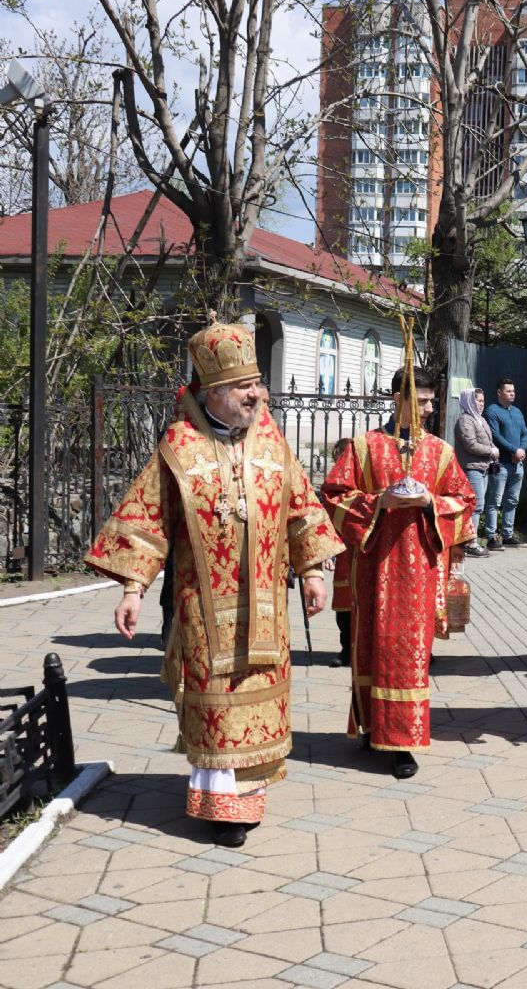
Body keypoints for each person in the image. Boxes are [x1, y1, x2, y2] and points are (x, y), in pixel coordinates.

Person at [86, 322, 344, 847]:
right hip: (203, 607)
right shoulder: (179, 447)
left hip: (268, 603)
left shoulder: (272, 440)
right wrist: (133, 590)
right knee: (215, 697)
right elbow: (149, 519)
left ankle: (247, 798)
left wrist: (314, 571)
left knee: (257, 695)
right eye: (245, 386)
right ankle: (219, 804)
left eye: (258, 384)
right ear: (214, 392)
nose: (258, 394)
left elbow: (299, 507)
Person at [323, 369, 476, 778]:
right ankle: (371, 726)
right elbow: (334, 496)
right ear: (397, 399)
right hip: (373, 567)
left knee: (409, 655)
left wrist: (431, 503)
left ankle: (402, 744)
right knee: (368, 646)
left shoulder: (440, 452)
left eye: (431, 401)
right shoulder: (364, 446)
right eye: (421, 400)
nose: (429, 408)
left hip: (419, 572)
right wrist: (378, 502)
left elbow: (464, 501)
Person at [483, 378, 527, 547]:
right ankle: (491, 536)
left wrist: (521, 450)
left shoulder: (517, 412)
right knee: (494, 500)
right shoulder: (492, 411)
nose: (512, 393)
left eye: (513, 391)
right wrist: (513, 450)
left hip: (517, 464)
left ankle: (508, 535)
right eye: (509, 391)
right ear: (499, 392)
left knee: (512, 500)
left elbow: (525, 433)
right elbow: (495, 436)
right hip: (500, 464)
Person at [454, 388, 500, 558]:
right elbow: (470, 444)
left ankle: (470, 540)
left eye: (482, 401)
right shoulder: (465, 420)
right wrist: (491, 451)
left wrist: (492, 449)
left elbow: (488, 439)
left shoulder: (479, 419)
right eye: (477, 401)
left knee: (477, 506)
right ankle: (469, 543)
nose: (481, 404)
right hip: (471, 468)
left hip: (483, 467)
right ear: (469, 401)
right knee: (474, 506)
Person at [324, 436, 356, 669]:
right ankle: (346, 650)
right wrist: (328, 553)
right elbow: (327, 522)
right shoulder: (333, 487)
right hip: (344, 553)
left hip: (367, 550)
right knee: (344, 606)